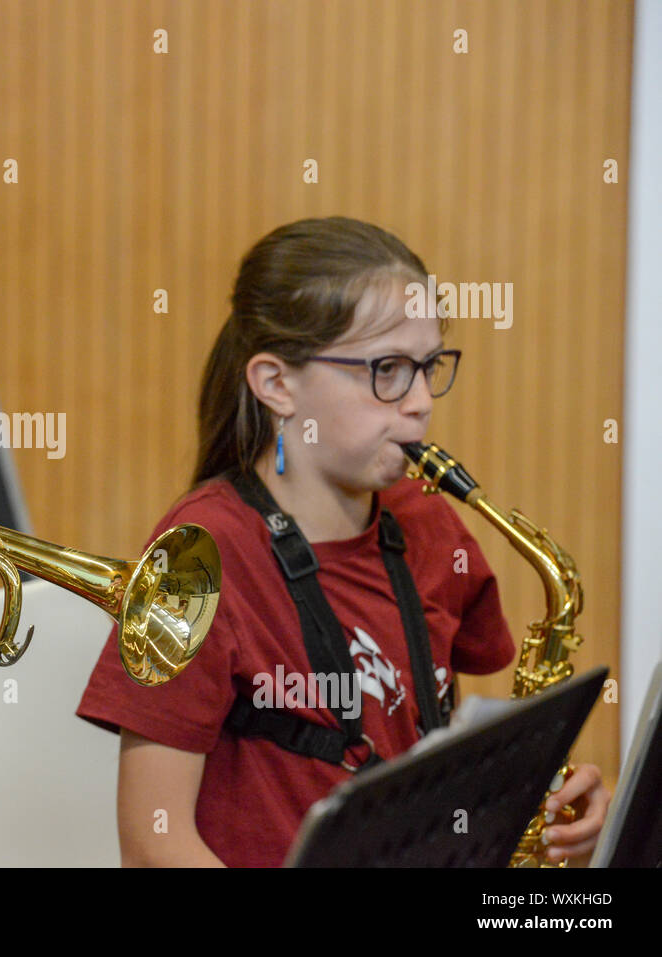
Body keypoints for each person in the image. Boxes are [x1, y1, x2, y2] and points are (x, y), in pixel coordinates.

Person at [77, 217, 609, 867]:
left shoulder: (430, 523)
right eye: (386, 369)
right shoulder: (200, 555)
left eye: (428, 367)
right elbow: (152, 840)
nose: (419, 403)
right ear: (276, 384)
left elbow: (432, 749)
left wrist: (542, 804)